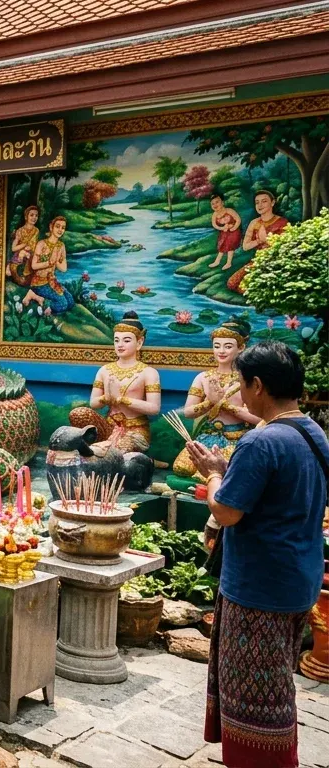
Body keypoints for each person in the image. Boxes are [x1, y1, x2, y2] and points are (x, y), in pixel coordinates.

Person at [186, 342, 329, 768]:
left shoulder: (261, 441)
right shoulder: (314, 432)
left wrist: (214, 474)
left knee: (256, 694)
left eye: (242, 384)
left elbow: (226, 512)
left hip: (259, 588)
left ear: (259, 386)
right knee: (276, 681)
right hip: (298, 578)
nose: (240, 393)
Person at [173, 317, 258, 478]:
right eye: (217, 346)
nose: (221, 351)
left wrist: (223, 404)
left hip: (236, 438)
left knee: (218, 472)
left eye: (228, 346)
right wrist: (209, 403)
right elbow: (188, 412)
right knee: (181, 468)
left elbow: (257, 418)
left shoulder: (247, 379)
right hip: (208, 436)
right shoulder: (203, 377)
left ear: (241, 348)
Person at [69, 311, 161, 453]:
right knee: (78, 413)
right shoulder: (105, 370)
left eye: (126, 340)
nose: (120, 345)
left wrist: (122, 400)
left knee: (117, 452)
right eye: (116, 340)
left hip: (135, 430)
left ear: (139, 342)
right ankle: (96, 448)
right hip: (109, 426)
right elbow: (94, 403)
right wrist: (106, 398)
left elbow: (154, 408)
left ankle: (105, 452)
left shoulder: (148, 372)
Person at [22, 216, 73, 313]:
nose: (60, 230)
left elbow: (64, 269)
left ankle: (38, 297)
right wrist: (49, 262)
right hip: (39, 283)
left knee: (70, 301)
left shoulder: (61, 246)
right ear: (51, 227)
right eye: (57, 226)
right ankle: (34, 296)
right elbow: (34, 266)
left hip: (51, 281)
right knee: (63, 304)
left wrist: (56, 261)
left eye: (63, 228)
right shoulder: (41, 244)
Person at [9, 206, 41, 286]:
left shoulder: (36, 230)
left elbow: (34, 246)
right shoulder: (20, 231)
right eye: (31, 215)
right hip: (20, 256)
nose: (34, 218)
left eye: (36, 215)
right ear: (26, 217)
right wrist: (24, 245)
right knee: (11, 270)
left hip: (32, 255)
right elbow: (13, 248)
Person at [209, 194, 242, 271]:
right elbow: (214, 225)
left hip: (234, 232)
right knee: (222, 245)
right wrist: (222, 228)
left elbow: (238, 219)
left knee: (230, 245)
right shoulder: (215, 214)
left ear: (222, 202)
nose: (215, 205)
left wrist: (234, 228)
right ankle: (217, 261)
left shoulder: (229, 211)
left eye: (217, 202)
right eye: (212, 204)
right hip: (224, 232)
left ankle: (228, 262)